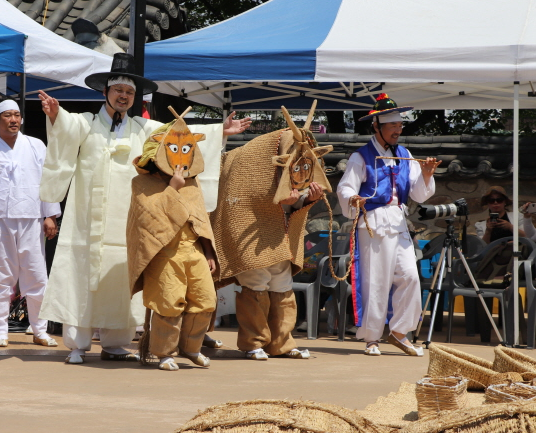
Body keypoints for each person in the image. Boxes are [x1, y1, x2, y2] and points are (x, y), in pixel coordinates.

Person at [38, 53, 251, 364]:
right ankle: (77, 344)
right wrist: (58, 116)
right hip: (88, 218)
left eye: (129, 92)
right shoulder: (84, 123)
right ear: (105, 92)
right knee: (82, 274)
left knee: (125, 272)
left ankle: (115, 343)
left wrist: (221, 131)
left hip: (129, 217)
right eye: (118, 90)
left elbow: (181, 138)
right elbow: (67, 129)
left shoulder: (145, 129)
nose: (123, 96)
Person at [210, 110, 331, 360]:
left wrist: (308, 197)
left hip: (280, 238)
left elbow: (294, 200)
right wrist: (272, 200)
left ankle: (281, 343)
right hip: (252, 236)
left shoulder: (299, 165)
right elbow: (242, 198)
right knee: (255, 285)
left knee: (282, 288)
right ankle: (253, 342)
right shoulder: (249, 163)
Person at [336, 93, 440, 357]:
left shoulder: (405, 154)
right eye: (392, 126)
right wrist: (353, 200)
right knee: (376, 281)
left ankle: (399, 332)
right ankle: (372, 337)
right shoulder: (361, 157)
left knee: (410, 277)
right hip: (373, 223)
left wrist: (426, 174)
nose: (397, 130)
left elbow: (418, 194)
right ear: (377, 127)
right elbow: (345, 189)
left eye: (399, 126)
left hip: (398, 223)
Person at [0, 99, 61, 348]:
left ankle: (39, 330)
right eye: (7, 115)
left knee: (36, 275)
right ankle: (0, 331)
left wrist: (50, 214)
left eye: (17, 115)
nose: (14, 120)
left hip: (31, 218)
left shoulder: (36, 146)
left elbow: (49, 180)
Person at [127, 113, 218, 371]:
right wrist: (173, 188)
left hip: (194, 249)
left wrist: (209, 250)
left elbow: (200, 219)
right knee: (169, 303)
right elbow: (150, 219)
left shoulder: (192, 182)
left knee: (205, 300)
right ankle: (165, 352)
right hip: (163, 252)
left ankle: (191, 348)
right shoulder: (141, 183)